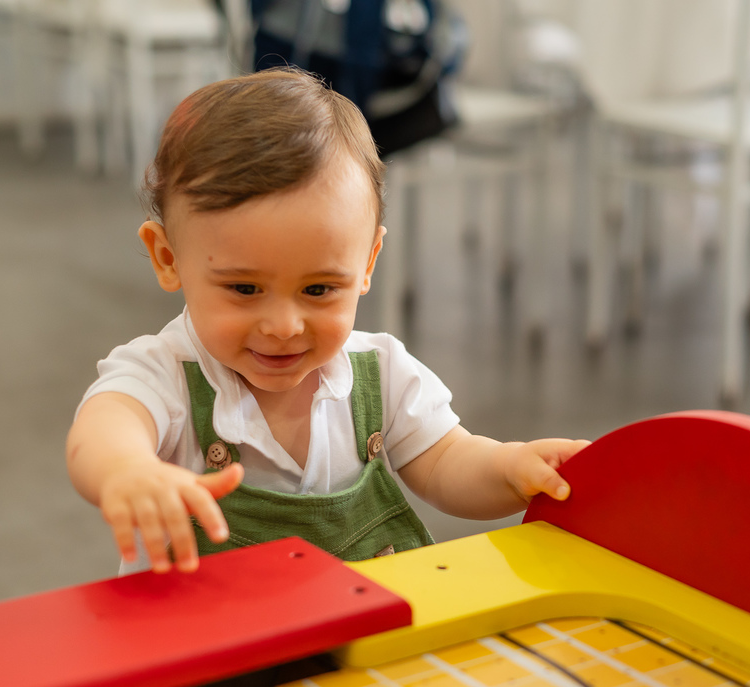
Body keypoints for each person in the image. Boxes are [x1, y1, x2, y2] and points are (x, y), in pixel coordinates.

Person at [66, 68, 589, 575]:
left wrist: (511, 470)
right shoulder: (166, 374)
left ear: (367, 262)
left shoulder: (378, 371)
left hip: (358, 647)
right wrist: (128, 471)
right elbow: (106, 428)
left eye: (318, 290)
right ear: (167, 257)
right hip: (209, 654)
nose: (284, 325)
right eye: (244, 289)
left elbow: (447, 462)